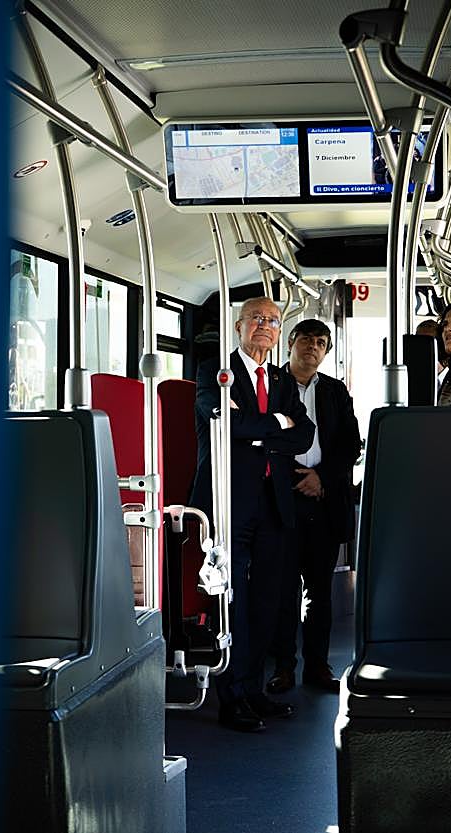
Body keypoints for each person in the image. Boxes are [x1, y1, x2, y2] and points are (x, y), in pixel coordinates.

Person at [190, 297, 315, 732]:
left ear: (280, 333)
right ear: (240, 326)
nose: (265, 326)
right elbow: (225, 422)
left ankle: (254, 688)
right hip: (228, 499)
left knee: (268, 599)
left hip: (272, 501)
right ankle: (232, 697)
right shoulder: (215, 372)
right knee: (233, 601)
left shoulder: (280, 379)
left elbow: (304, 435)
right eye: (257, 319)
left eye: (274, 321)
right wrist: (274, 426)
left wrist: (262, 431)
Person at [266, 319, 361, 695]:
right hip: (282, 498)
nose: (314, 347)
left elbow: (350, 445)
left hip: (323, 500)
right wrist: (294, 477)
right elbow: (264, 437)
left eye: (322, 343)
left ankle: (318, 666)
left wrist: (321, 477)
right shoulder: (272, 384)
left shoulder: (336, 392)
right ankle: (284, 667)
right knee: (283, 588)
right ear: (291, 342)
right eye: (307, 339)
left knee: (319, 591)